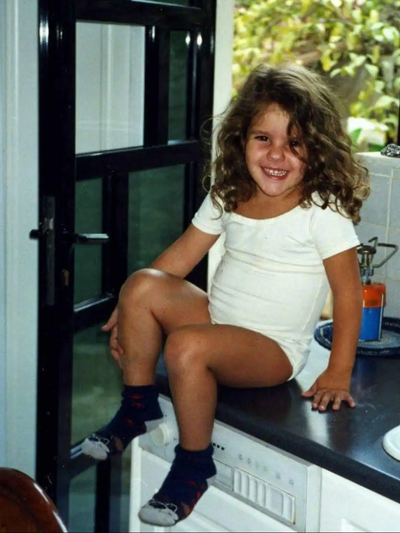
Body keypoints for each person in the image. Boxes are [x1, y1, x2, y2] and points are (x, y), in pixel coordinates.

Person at [81, 63, 370, 526]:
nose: (276, 154)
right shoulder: (230, 193)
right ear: (241, 139)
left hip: (272, 351)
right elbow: (178, 259)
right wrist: (130, 311)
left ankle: (194, 465)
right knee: (140, 282)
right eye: (263, 138)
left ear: (317, 148)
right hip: (217, 323)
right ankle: (137, 407)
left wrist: (338, 371)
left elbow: (349, 294)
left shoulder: (322, 210)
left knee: (187, 344)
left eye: (295, 143)